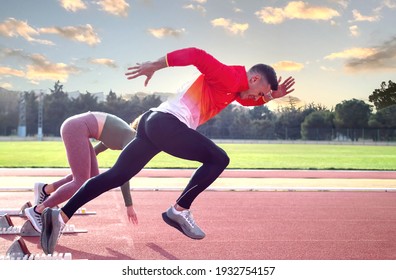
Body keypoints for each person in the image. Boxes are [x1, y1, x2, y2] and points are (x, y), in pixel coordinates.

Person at [40, 47, 295, 254]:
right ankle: (179, 210)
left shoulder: (233, 89)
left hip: (152, 123)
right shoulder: (230, 76)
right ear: (253, 78)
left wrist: (270, 97)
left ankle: (60, 216)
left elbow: (244, 100)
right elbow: (196, 54)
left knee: (116, 176)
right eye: (258, 92)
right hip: (167, 124)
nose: (255, 98)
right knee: (219, 159)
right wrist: (154, 64)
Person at [25, 112, 139, 233]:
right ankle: (38, 210)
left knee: (91, 178)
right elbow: (123, 173)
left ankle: (45, 189)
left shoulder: (122, 133)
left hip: (78, 127)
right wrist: (129, 205)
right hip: (76, 128)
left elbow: (96, 151)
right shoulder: (132, 138)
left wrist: (82, 163)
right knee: (81, 182)